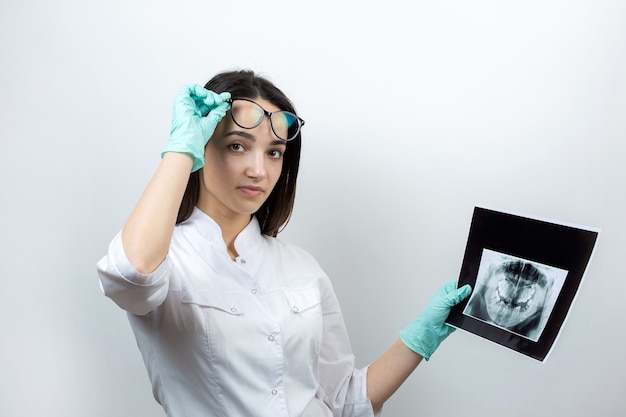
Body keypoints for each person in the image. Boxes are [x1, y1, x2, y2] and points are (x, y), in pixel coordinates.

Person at [97, 69, 471, 417]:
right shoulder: (166, 258)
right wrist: (180, 150)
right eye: (237, 146)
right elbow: (130, 276)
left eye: (274, 152)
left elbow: (343, 400)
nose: (259, 170)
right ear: (202, 146)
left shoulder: (302, 268)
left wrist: (420, 338)